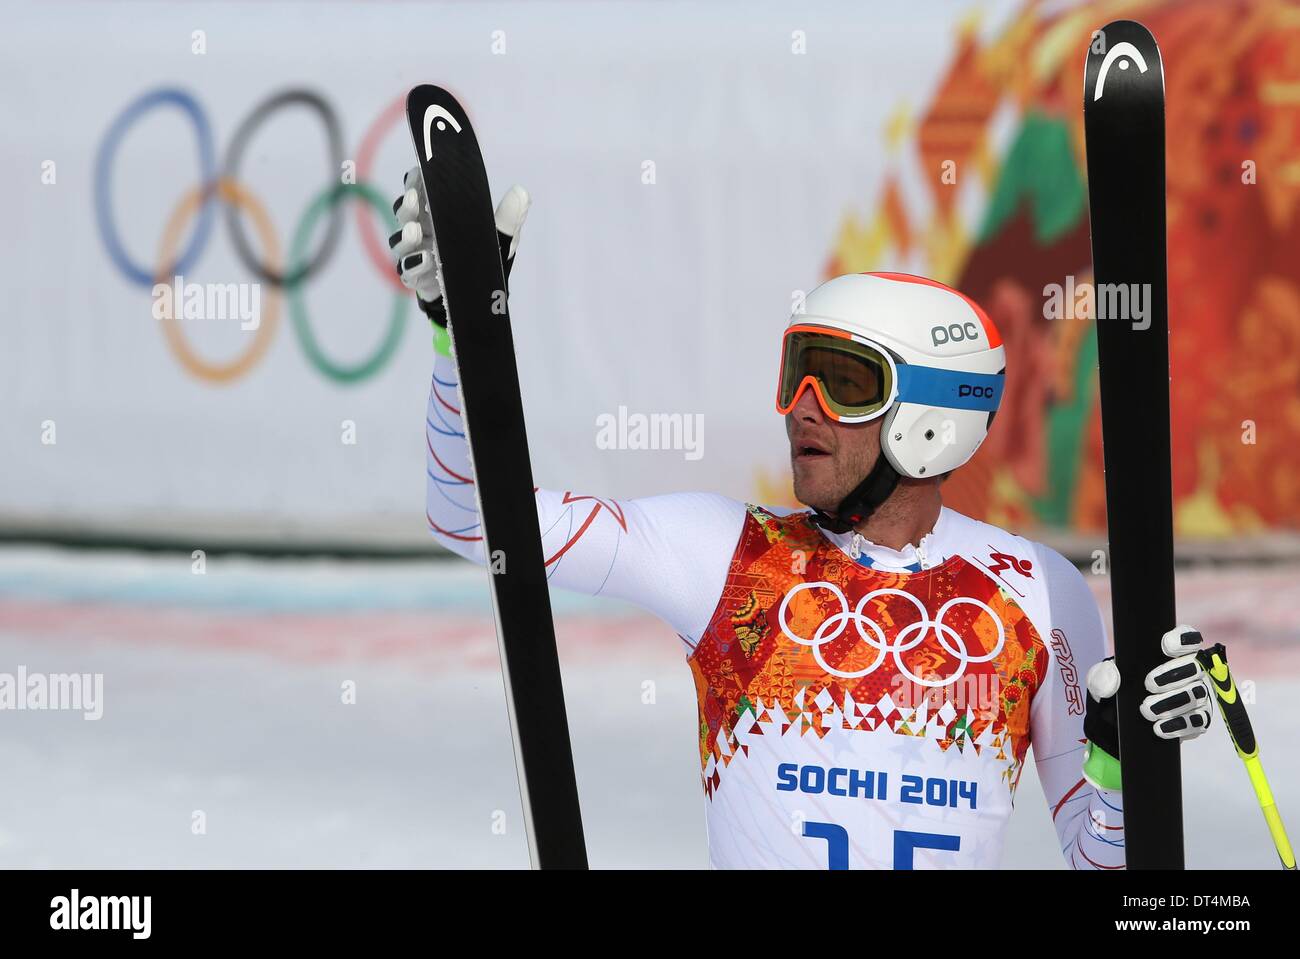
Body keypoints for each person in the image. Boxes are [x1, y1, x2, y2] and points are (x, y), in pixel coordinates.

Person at [391, 170, 1214, 869]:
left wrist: (1123, 770)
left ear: (934, 417)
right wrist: (456, 338)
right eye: (797, 374)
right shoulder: (725, 553)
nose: (802, 409)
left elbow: (1105, 864)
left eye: (843, 382)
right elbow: (474, 519)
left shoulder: (1038, 593)